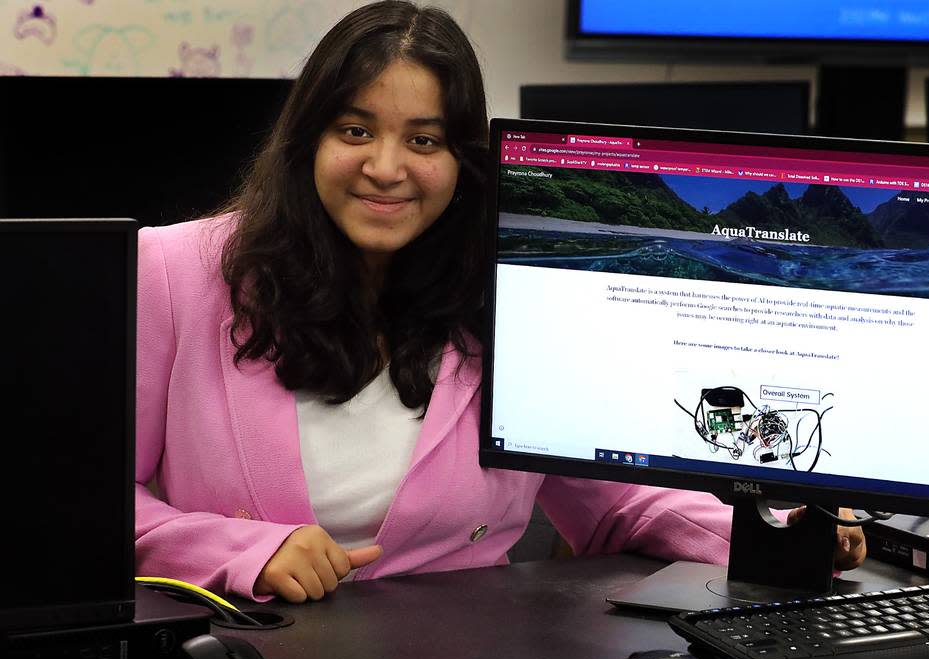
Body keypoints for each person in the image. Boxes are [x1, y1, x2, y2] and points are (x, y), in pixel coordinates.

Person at [134, 0, 866, 604]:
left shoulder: (507, 299)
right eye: (355, 131)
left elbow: (611, 503)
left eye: (424, 140)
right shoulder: (175, 272)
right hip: (248, 654)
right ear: (307, 140)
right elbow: (77, 498)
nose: (386, 168)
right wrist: (241, 551)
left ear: (461, 162)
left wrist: (777, 532)